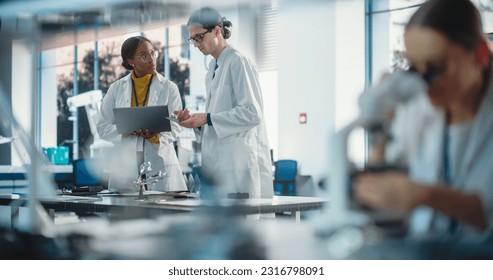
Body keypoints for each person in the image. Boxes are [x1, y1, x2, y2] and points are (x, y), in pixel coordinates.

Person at [354, 0, 493, 240]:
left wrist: (426, 195)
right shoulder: (418, 107)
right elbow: (384, 168)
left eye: (436, 67)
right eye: (415, 68)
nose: (425, 82)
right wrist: (381, 132)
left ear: (479, 54)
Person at [174, 7, 273, 199]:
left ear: (217, 30)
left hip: (239, 164)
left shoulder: (238, 62)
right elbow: (216, 119)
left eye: (199, 37)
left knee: (242, 225)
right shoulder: (213, 68)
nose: (195, 44)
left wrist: (208, 118)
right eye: (192, 39)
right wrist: (197, 122)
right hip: (218, 164)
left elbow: (252, 113)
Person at [97, 36, 186, 192]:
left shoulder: (169, 88)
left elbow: (176, 125)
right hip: (126, 164)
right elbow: (103, 127)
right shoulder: (116, 89)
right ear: (131, 61)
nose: (152, 59)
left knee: (162, 212)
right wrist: (127, 130)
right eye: (144, 55)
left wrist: (154, 136)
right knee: (128, 214)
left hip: (159, 161)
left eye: (153, 53)